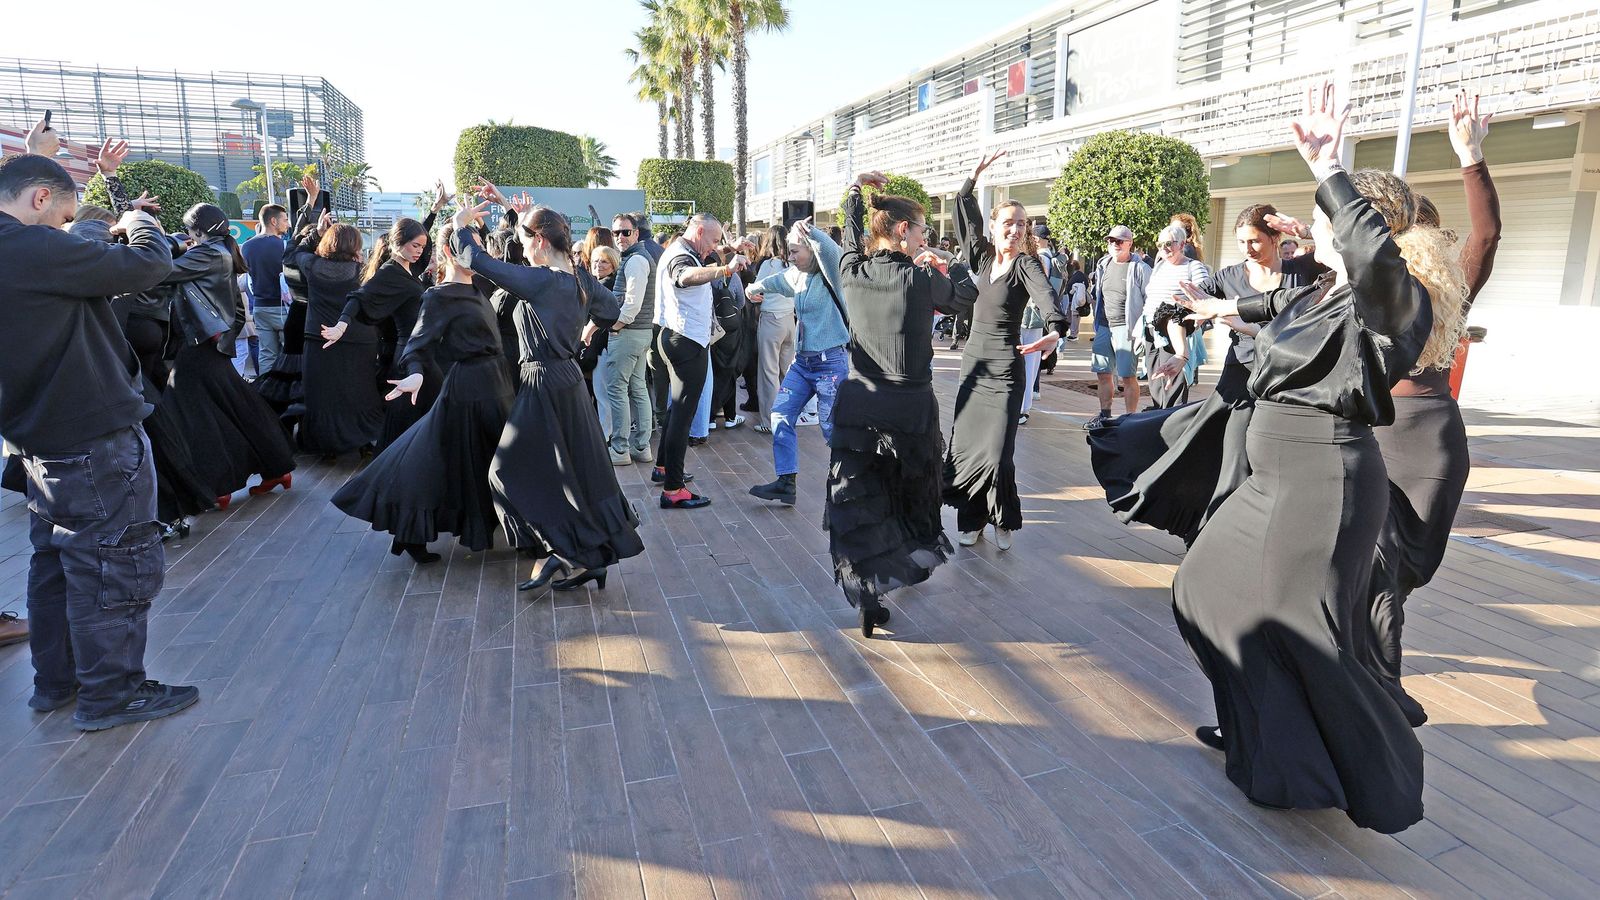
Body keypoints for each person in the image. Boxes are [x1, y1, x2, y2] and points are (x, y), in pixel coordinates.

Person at [1172, 83, 1433, 833]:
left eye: (1320, 217)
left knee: (1303, 632)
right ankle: (1262, 725)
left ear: (1359, 225)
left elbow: (1373, 267)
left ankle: (1361, 770)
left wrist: (1332, 166)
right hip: (1274, 479)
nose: (1306, 227)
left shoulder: (1395, 299)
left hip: (1324, 485)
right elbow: (1274, 312)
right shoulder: (1320, 293)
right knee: (1206, 588)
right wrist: (1224, 308)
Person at [0, 149, 199, 729]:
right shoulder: (29, 248)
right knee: (115, 560)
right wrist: (142, 222)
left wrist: (90, 203)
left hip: (38, 438)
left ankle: (57, 682)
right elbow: (145, 264)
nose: (66, 229)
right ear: (39, 200)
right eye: (61, 217)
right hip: (92, 434)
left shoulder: (26, 252)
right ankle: (111, 692)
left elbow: (74, 248)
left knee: (56, 562)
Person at [1364, 91, 1498, 727]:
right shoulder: (1366, 288)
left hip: (1429, 447)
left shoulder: (1445, 291)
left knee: (1399, 571)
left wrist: (1472, 158)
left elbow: (1487, 234)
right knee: (1374, 567)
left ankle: (1375, 682)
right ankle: (1382, 689)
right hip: (1374, 438)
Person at [1087, 202, 1327, 547]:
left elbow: (1350, 252)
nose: (1248, 249)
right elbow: (1176, 313)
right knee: (1232, 466)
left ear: (1277, 237)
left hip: (1289, 383)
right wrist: (1182, 352)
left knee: (1280, 470)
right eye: (1241, 241)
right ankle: (1215, 541)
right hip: (1241, 383)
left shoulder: (1303, 270)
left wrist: (1304, 231)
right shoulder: (1228, 277)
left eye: (1256, 241)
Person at [454, 183, 643, 592]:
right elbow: (611, 311)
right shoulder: (577, 279)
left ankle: (558, 551)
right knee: (576, 473)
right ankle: (589, 556)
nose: (521, 251)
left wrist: (460, 225)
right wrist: (587, 327)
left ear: (539, 241)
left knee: (504, 473)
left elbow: (476, 259)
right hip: (569, 379)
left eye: (524, 242)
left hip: (544, 381)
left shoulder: (543, 281)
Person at [829, 171, 972, 637]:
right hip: (909, 407)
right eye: (922, 229)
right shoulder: (922, 278)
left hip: (860, 405)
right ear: (901, 231)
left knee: (863, 495)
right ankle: (894, 570)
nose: (925, 236)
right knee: (907, 494)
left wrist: (854, 190)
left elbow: (849, 234)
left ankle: (868, 591)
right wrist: (946, 265)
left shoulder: (851, 270)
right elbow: (966, 298)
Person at [333, 221, 515, 562]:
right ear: (448, 253)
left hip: (498, 384)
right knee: (439, 460)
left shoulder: (482, 285)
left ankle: (521, 529)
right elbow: (416, 346)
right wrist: (415, 374)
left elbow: (512, 260)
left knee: (500, 459)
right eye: (468, 247)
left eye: (479, 247)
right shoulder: (438, 296)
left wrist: (506, 214)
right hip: (469, 389)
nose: (477, 254)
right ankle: (412, 534)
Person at [942, 152, 1065, 548]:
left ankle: (1002, 517)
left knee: (997, 449)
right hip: (972, 366)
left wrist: (1055, 331)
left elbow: (1048, 300)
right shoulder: (979, 256)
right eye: (1008, 223)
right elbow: (964, 214)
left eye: (1022, 224)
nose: (1015, 229)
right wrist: (973, 177)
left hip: (1005, 368)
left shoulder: (1026, 265)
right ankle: (973, 517)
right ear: (994, 226)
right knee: (967, 445)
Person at [158, 202, 297, 505]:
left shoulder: (208, 253)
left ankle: (219, 484)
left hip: (199, 341)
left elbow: (160, 271)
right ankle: (275, 466)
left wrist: (164, 240)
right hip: (207, 340)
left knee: (191, 412)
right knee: (235, 402)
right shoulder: (220, 251)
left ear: (197, 229)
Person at [321, 187, 448, 449]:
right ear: (397, 243)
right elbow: (358, 297)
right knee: (407, 426)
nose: (420, 251)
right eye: (415, 246)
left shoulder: (410, 271)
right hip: (408, 356)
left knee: (421, 422)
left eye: (422, 247)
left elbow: (420, 240)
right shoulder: (391, 272)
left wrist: (434, 210)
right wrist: (342, 324)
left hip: (420, 352)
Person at [745, 218, 848, 504]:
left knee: (831, 429)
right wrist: (753, 288)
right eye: (789, 252)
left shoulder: (832, 273)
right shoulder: (795, 275)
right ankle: (786, 482)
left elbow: (830, 250)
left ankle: (852, 485)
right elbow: (773, 282)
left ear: (811, 250)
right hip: (803, 364)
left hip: (830, 363)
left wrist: (811, 232)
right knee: (780, 415)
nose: (789, 257)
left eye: (794, 252)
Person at [653, 213, 747, 509]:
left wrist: (727, 252)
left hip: (676, 338)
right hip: (686, 341)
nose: (714, 247)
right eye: (714, 240)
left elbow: (700, 265)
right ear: (700, 230)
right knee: (683, 414)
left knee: (676, 409)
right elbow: (685, 277)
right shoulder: (680, 257)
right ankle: (673, 489)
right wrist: (724, 270)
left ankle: (664, 468)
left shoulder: (683, 251)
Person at [286, 175, 378, 456]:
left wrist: (315, 228)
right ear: (356, 245)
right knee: (359, 392)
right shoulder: (363, 270)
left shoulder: (312, 265)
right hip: (360, 339)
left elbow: (291, 250)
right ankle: (363, 441)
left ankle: (326, 445)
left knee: (323, 395)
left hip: (318, 338)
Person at [601, 213, 656, 466]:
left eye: (625, 232)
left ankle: (621, 449)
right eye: (616, 233)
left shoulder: (635, 260)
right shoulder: (636, 258)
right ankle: (641, 448)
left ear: (636, 233)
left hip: (629, 333)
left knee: (618, 389)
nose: (620, 237)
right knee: (638, 389)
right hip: (640, 333)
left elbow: (632, 304)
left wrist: (615, 325)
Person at [1085, 225, 1150, 428]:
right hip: (1104, 325)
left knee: (1128, 376)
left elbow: (1151, 298)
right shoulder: (1103, 264)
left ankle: (1130, 419)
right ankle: (1105, 414)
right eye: (1111, 240)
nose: (1114, 245)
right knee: (1103, 373)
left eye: (1119, 241)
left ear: (1130, 243)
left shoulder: (1140, 268)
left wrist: (1142, 328)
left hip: (1126, 327)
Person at [1141, 223, 1212, 409]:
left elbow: (1206, 299)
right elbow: (1151, 299)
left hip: (1176, 333)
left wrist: (1194, 325)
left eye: (1169, 244)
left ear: (1182, 245)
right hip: (1151, 330)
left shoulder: (1194, 267)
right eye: (1160, 245)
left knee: (1173, 383)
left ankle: (1173, 423)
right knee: (1155, 380)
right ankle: (1157, 421)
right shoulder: (1159, 266)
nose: (1164, 249)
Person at [750, 225, 795, 432]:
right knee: (787, 372)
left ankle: (769, 421)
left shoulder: (769, 264)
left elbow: (756, 290)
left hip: (771, 320)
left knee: (768, 372)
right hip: (790, 320)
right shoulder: (794, 264)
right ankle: (789, 416)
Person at [243, 203, 292, 376]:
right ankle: (288, 392)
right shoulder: (284, 246)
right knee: (290, 355)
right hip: (283, 308)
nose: (288, 224)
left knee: (266, 355)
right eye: (285, 220)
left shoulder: (246, 247)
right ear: (273, 221)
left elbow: (247, 279)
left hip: (260, 307)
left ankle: (265, 392)